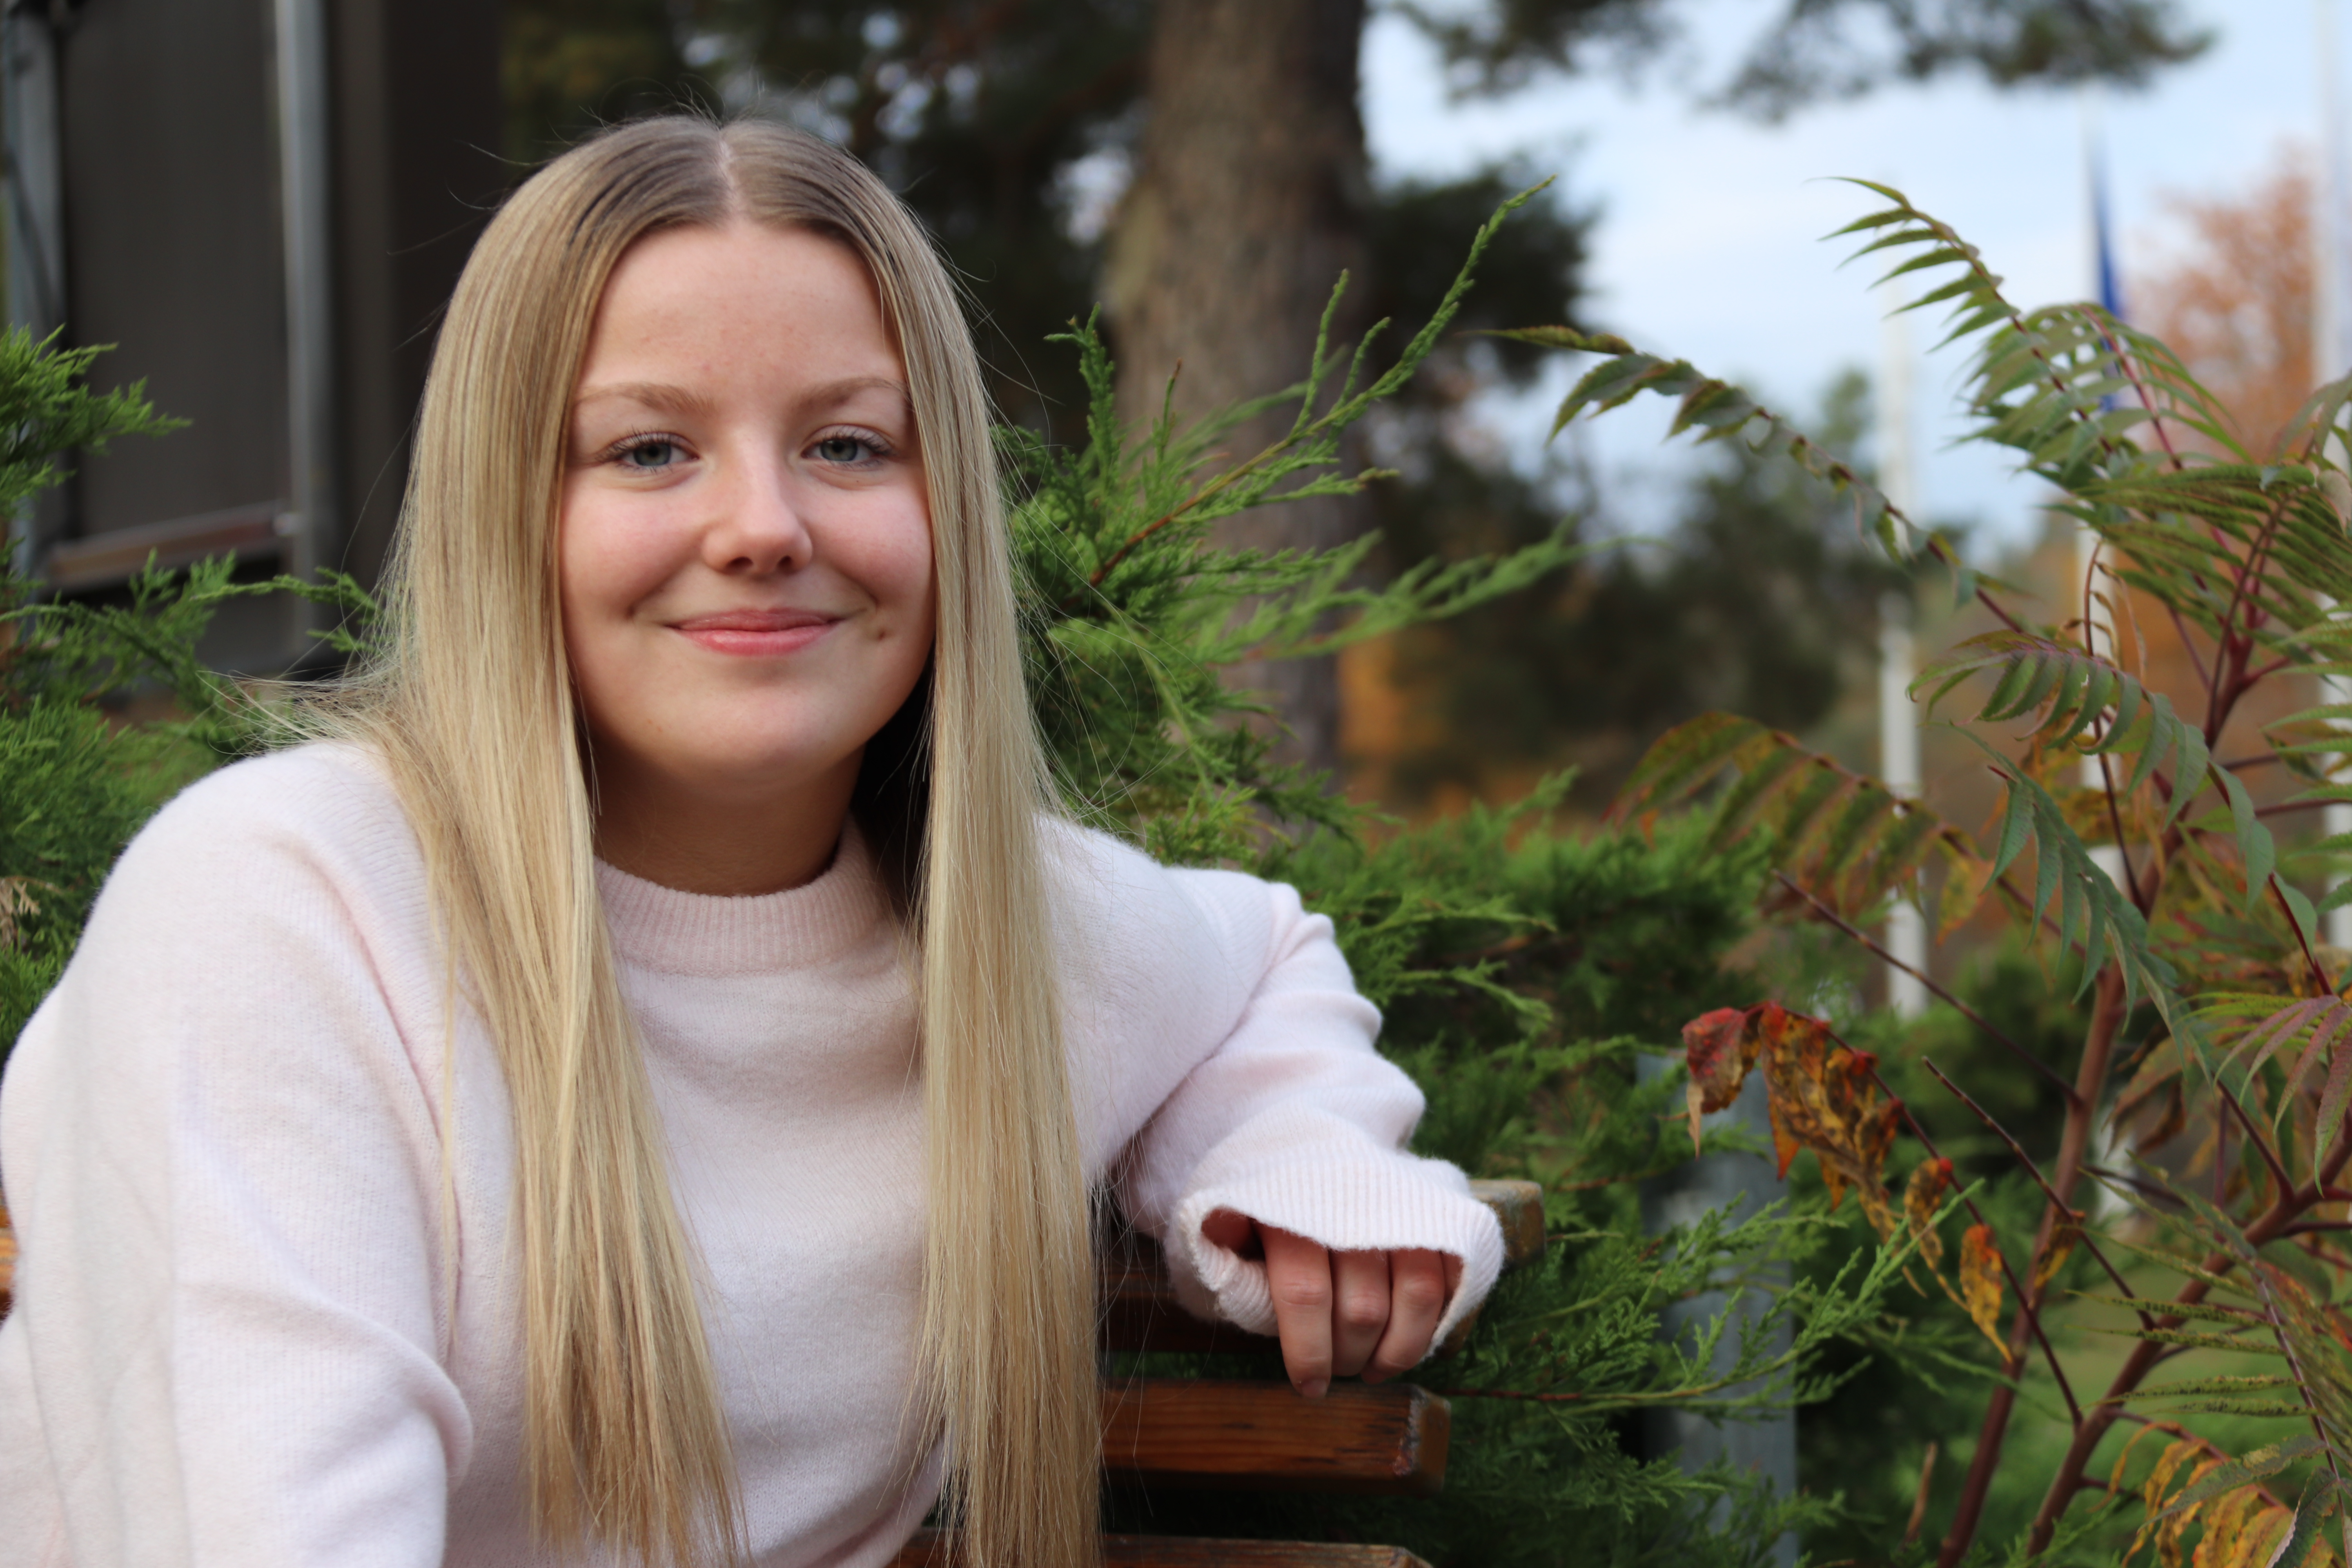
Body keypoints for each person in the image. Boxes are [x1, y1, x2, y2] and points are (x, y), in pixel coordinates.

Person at [0, 116, 1504, 1568]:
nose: (765, 525)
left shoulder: (1018, 942)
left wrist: (1302, 1159)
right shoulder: (283, 906)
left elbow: (1261, 955)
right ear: (505, 510)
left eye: (849, 444)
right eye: (650, 450)